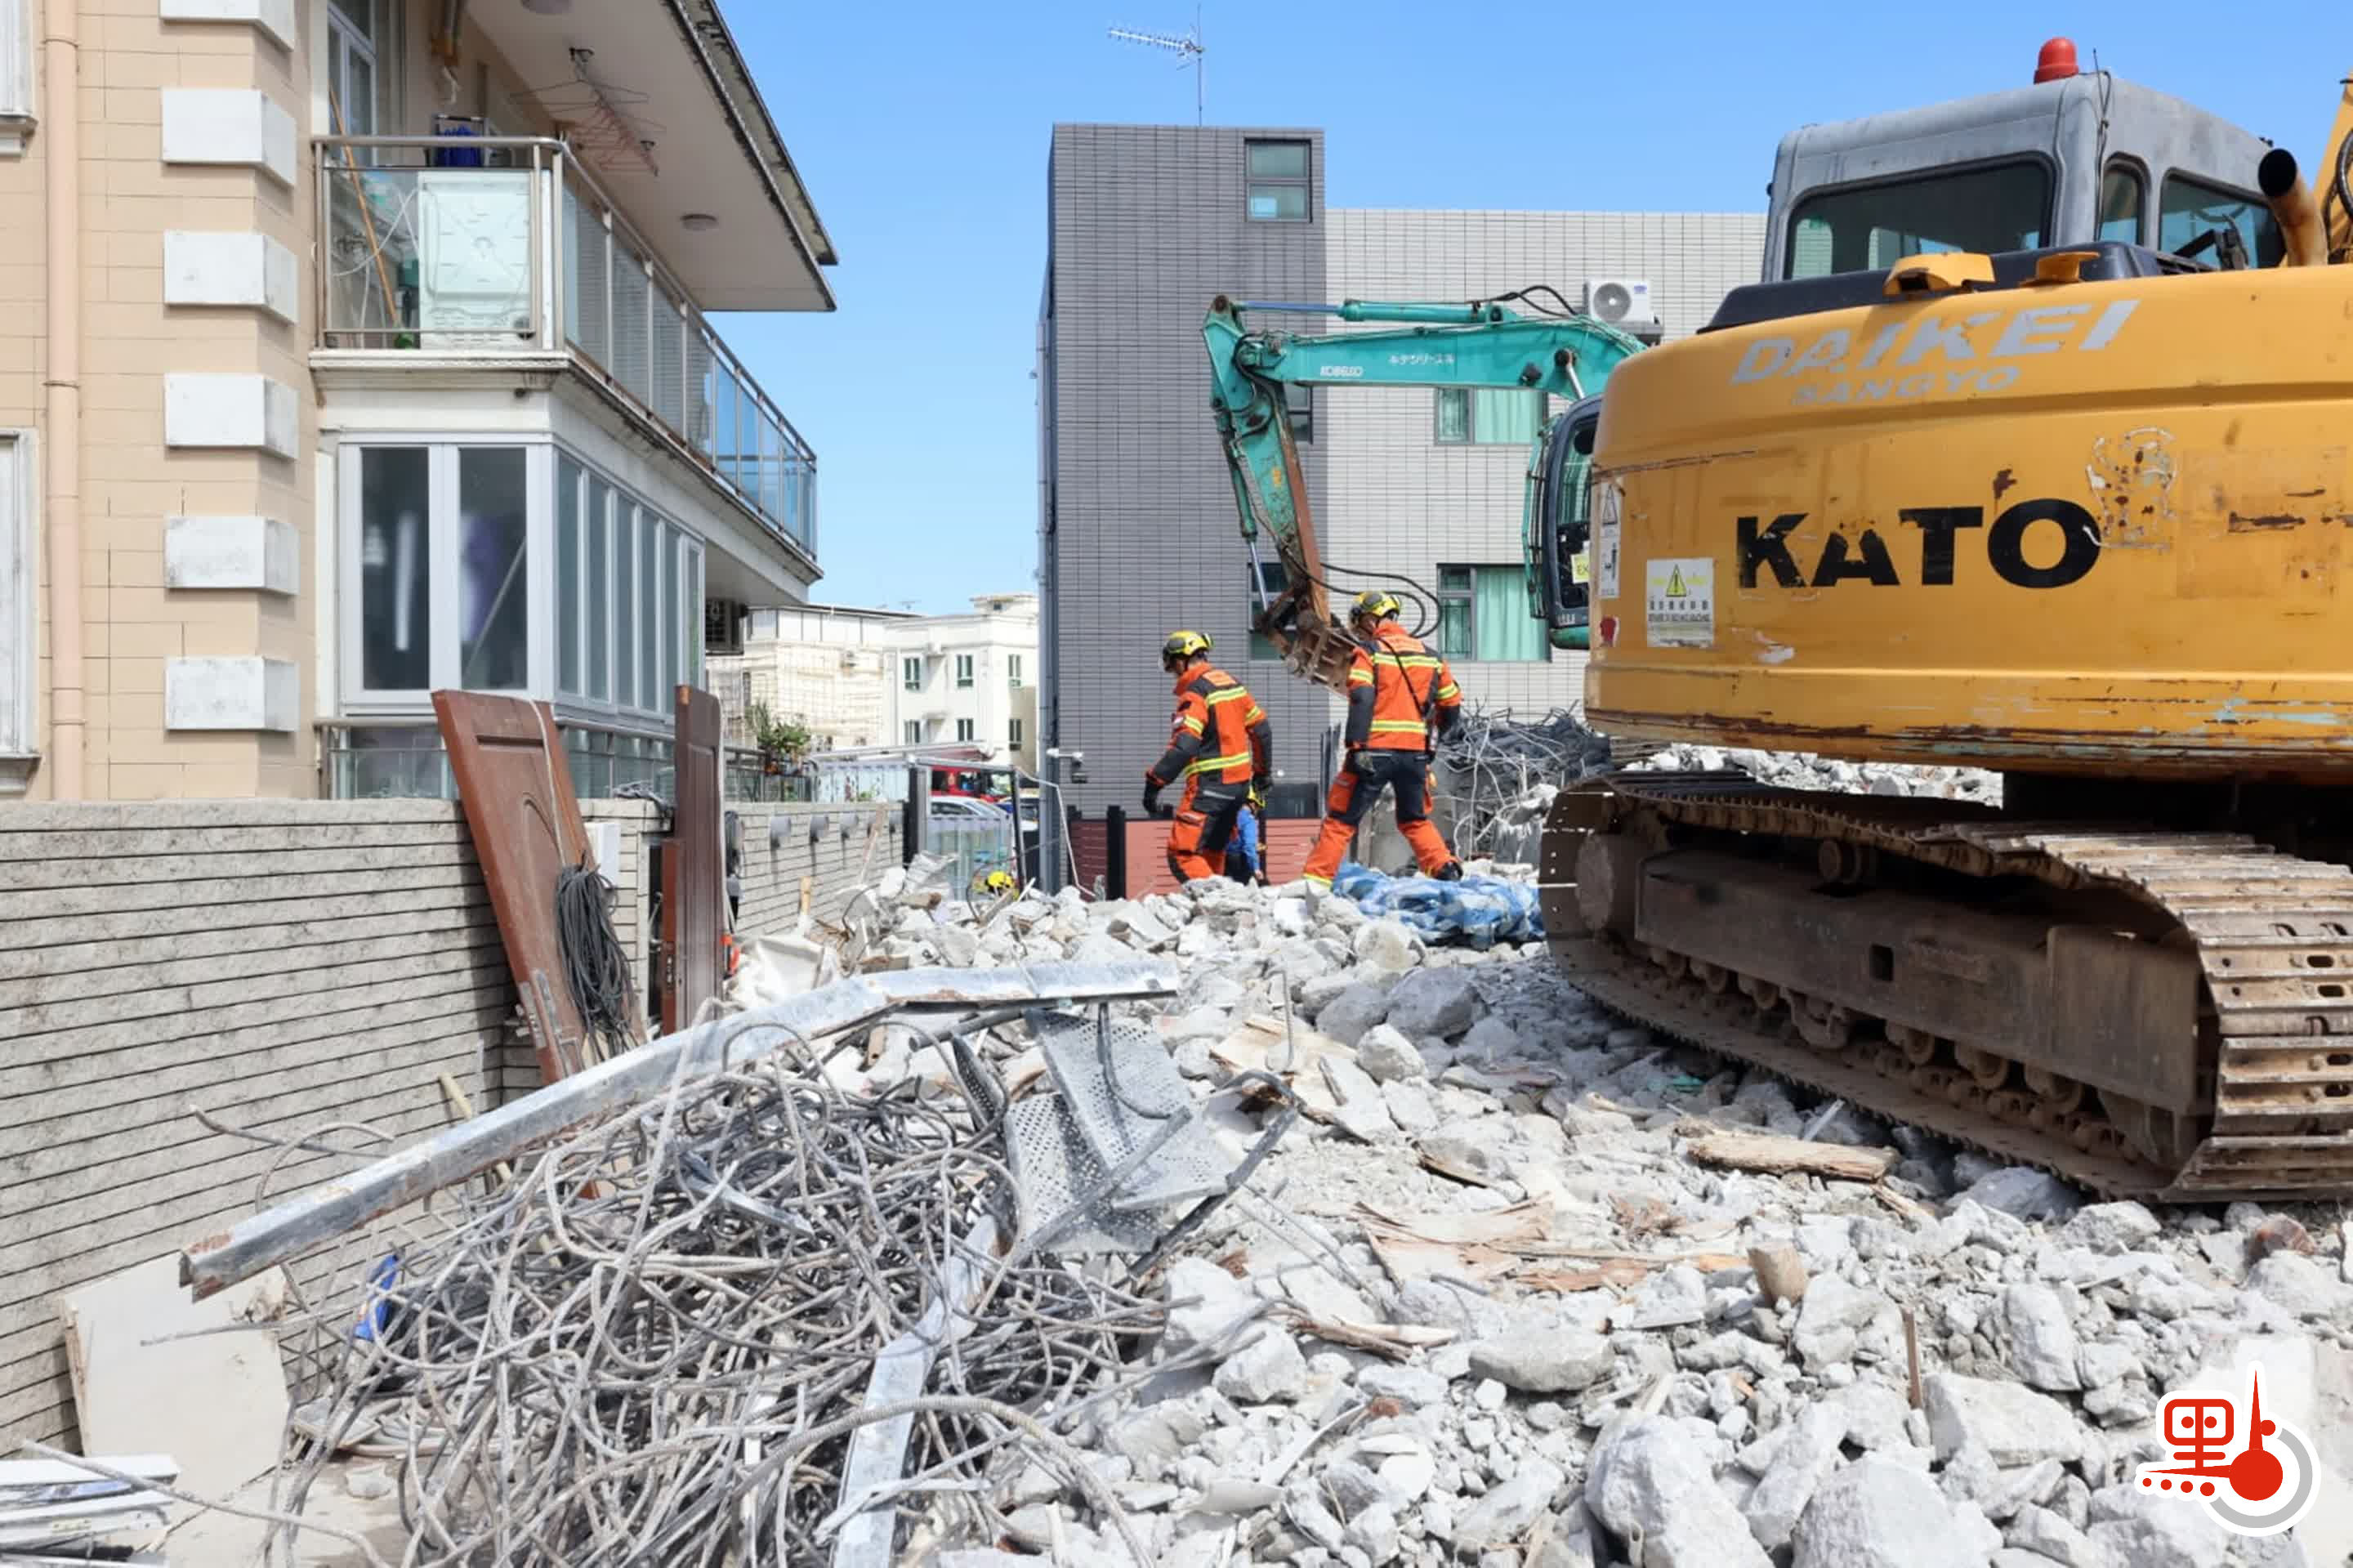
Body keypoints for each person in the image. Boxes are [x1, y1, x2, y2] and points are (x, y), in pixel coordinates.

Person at [1302, 591, 1465, 889]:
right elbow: (1452, 706)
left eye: (1359, 625)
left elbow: (1362, 698)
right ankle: (1445, 869)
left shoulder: (1370, 652)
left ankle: (1315, 884)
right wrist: (1433, 744)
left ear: (1370, 619)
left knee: (1341, 820)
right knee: (1414, 819)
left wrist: (1356, 746)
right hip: (1415, 756)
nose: (1359, 632)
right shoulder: (1432, 658)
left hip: (1374, 751)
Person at [1144, 630, 1273, 883]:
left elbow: (1184, 747)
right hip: (1238, 789)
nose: (1173, 673)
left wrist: (1154, 783)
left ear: (1182, 660)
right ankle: (1222, 901)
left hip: (1209, 789)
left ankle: (1219, 900)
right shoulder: (1232, 684)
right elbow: (1262, 730)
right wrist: (1262, 775)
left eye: (1172, 665)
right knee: (1212, 852)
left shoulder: (1195, 694)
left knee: (1182, 854)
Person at [1224, 786, 1267, 884]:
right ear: (1253, 804)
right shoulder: (1249, 819)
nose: (1257, 812)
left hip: (1221, 859)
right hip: (1238, 861)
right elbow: (1249, 845)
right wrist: (1255, 868)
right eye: (1258, 808)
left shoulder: (1230, 814)